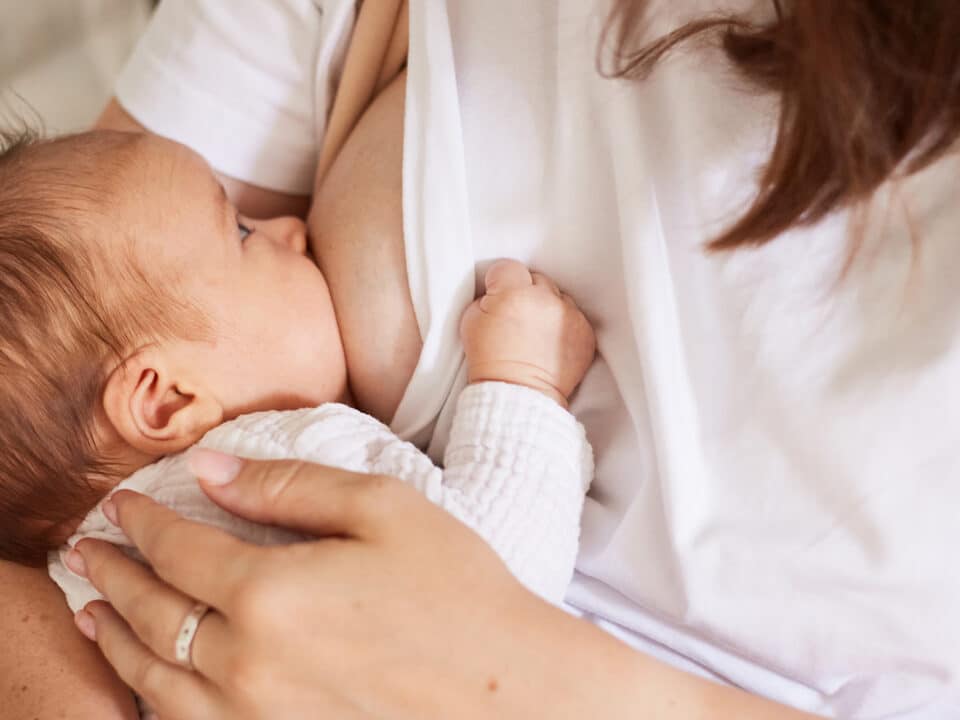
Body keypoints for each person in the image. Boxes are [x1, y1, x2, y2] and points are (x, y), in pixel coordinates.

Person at [4, 0, 960, 718]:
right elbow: (497, 561)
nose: (292, 229)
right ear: (163, 400)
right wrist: (521, 385)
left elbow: (466, 639)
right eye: (247, 232)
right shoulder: (286, 462)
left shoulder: (86, 544)